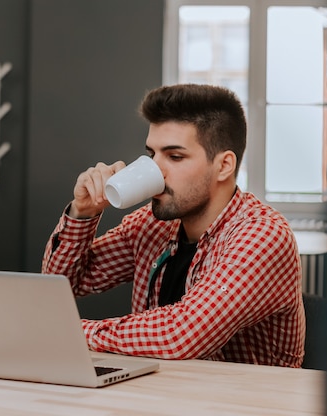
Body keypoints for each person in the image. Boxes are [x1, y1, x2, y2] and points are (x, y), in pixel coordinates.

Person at [42, 84, 305, 367]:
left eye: (175, 156)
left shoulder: (263, 235)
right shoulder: (153, 224)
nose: (157, 169)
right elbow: (63, 283)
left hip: (246, 405)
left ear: (224, 166)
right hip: (165, 395)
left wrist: (71, 333)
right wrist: (83, 212)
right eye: (152, 154)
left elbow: (183, 333)